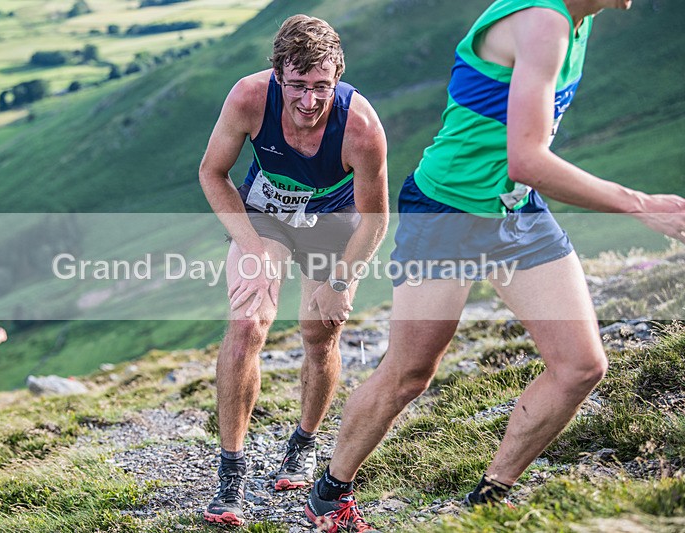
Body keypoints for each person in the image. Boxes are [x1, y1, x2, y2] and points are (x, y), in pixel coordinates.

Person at [305, 0, 685, 530]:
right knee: (410, 373)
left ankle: (488, 500)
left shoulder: (581, 19)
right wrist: (639, 203)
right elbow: (525, 158)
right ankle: (330, 491)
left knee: (580, 366)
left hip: (516, 211)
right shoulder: (542, 21)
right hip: (448, 211)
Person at [198, 14, 388, 527]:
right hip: (266, 214)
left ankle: (301, 444)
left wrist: (343, 281)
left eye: (321, 87)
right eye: (297, 86)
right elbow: (212, 173)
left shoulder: (361, 127)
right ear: (278, 75)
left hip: (333, 222)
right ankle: (231, 471)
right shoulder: (248, 98)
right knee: (247, 322)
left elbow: (377, 219)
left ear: (339, 77)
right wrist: (250, 246)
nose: (309, 101)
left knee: (320, 332)